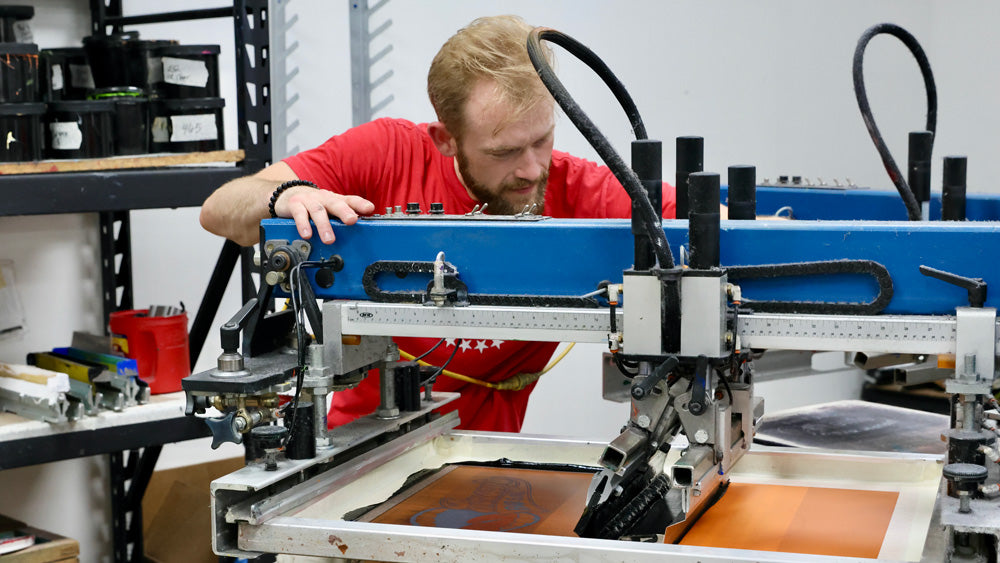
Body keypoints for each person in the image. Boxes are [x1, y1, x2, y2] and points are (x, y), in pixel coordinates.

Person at [200, 15, 676, 432]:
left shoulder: (572, 185)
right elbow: (220, 209)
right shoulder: (385, 154)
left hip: (485, 465)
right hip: (352, 451)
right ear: (445, 140)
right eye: (504, 152)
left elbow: (716, 236)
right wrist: (290, 194)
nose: (532, 169)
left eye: (542, 140)